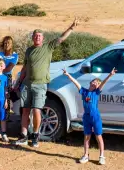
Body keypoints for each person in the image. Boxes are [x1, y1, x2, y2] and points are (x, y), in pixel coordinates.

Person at [12, 19, 78, 148]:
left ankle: (35, 135)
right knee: (25, 110)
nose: (37, 37)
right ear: (33, 38)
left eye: (39, 36)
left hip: (40, 84)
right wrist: (18, 83)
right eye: (35, 36)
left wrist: (71, 28)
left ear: (43, 38)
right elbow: (25, 68)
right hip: (27, 84)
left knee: (37, 110)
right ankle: (23, 136)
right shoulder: (29, 50)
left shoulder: (48, 47)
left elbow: (61, 39)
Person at [61, 66, 116, 165]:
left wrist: (110, 75)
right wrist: (68, 75)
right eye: (95, 81)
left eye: (98, 83)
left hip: (95, 117)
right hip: (86, 117)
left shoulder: (96, 92)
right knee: (87, 136)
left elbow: (103, 84)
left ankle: (102, 156)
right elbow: (76, 83)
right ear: (91, 82)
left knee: (99, 136)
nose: (96, 83)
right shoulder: (84, 91)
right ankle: (86, 155)